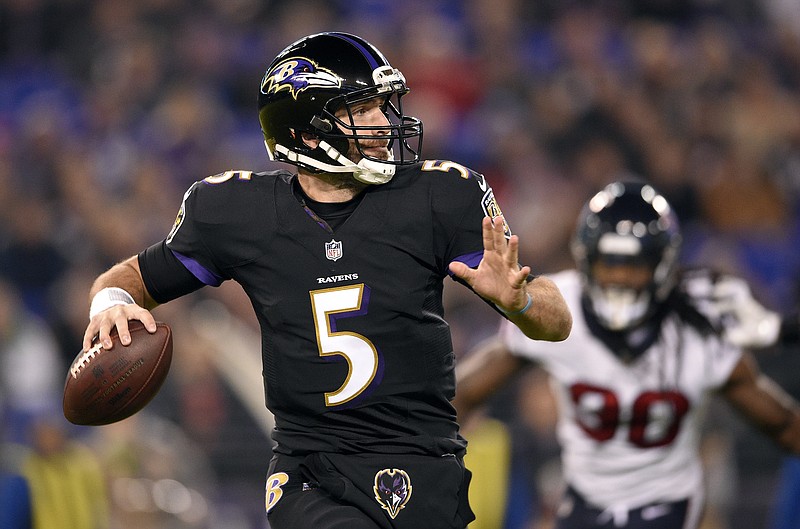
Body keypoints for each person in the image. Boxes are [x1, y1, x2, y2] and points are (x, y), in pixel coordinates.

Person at [79, 32, 572, 529]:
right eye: (361, 111)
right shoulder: (237, 213)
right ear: (306, 134)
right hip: (312, 473)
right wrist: (111, 303)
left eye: (384, 106)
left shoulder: (441, 197)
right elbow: (128, 278)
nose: (384, 123)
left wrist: (522, 300)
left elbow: (557, 324)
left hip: (427, 465)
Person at [454, 180, 800, 529]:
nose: (619, 277)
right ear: (586, 260)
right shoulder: (559, 308)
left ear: (662, 266)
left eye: (633, 265)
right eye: (610, 263)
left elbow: (783, 424)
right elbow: (462, 393)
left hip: (671, 510)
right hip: (583, 505)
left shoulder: (697, 322)